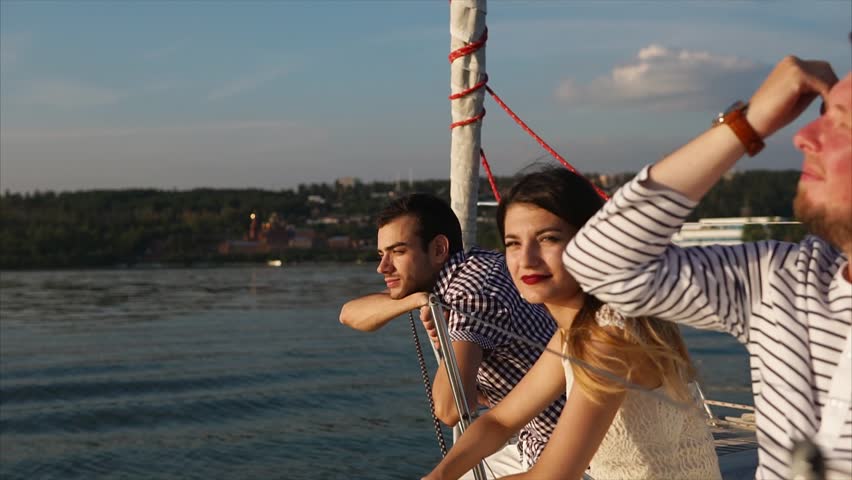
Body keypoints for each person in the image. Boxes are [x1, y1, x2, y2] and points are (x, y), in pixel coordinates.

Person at [564, 56, 852, 479]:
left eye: (842, 124)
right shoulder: (786, 280)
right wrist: (746, 125)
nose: (802, 137)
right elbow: (599, 263)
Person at [423, 167, 721, 480]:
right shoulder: (576, 330)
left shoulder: (607, 337)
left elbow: (553, 476)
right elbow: (500, 421)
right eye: (512, 243)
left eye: (548, 238)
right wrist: (440, 475)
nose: (526, 259)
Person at [339, 193, 564, 476]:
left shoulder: (470, 295)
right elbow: (348, 314)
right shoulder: (477, 264)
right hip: (530, 437)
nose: (382, 267)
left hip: (562, 447)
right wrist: (417, 300)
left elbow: (450, 409)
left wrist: (447, 333)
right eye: (381, 254)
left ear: (438, 249)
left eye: (397, 252)